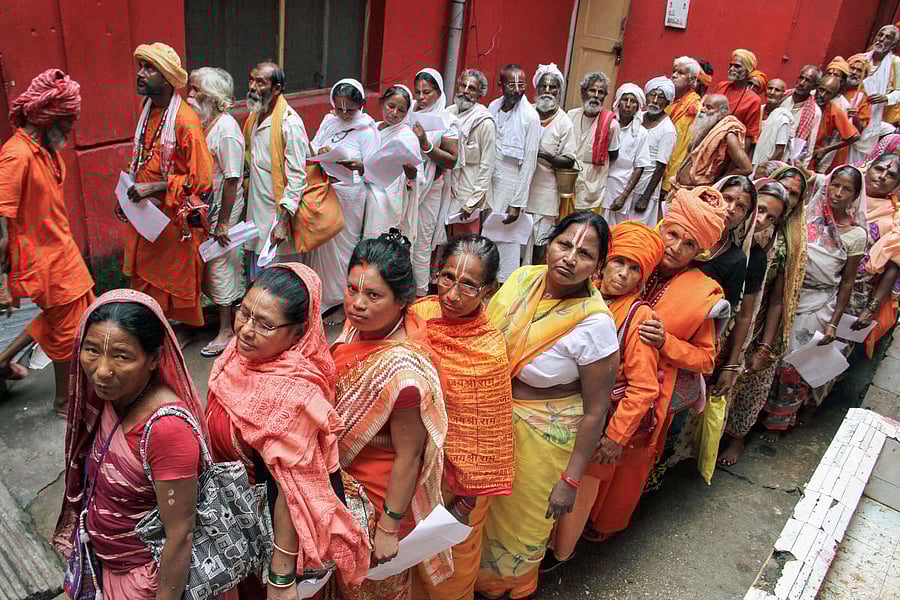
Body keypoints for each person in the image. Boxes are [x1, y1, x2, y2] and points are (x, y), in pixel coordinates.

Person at [476, 212, 619, 600]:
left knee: (518, 531)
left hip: (543, 442)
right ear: (548, 242)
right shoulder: (524, 279)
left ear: (599, 265)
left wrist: (570, 481)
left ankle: (508, 591)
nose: (570, 258)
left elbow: (596, 411)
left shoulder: (595, 324)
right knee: (476, 520)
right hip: (490, 421)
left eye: (585, 254)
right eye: (564, 244)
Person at [206, 264, 369, 597]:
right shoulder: (237, 358)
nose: (246, 330)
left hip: (267, 536)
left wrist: (281, 576)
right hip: (230, 519)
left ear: (298, 334)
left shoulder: (296, 394)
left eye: (265, 324)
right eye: (244, 313)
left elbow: (292, 487)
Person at [54, 291, 205, 599]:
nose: (102, 370)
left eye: (122, 356)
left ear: (153, 360)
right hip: (102, 563)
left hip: (143, 581)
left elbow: (180, 534)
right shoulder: (110, 400)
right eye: (92, 350)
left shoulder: (167, 430)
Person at [331, 231, 449, 600]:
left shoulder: (402, 371)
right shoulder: (361, 327)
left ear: (401, 301)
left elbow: (409, 454)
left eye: (373, 295)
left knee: (372, 587)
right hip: (342, 482)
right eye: (352, 289)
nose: (357, 303)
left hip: (376, 497)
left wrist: (388, 526)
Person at [548, 221, 665, 564]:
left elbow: (644, 387)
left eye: (634, 269)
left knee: (576, 494)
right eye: (619, 262)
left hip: (599, 423)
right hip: (558, 412)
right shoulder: (582, 290)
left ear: (642, 279)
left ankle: (558, 556)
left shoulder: (638, 315)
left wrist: (615, 437)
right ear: (604, 261)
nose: (624, 274)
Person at [410, 235, 515, 600]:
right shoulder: (419, 315)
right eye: (447, 277)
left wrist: (465, 503)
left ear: (489, 290)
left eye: (468, 284)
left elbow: (489, 437)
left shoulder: (488, 351)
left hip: (458, 489)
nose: (452, 294)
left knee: (450, 575)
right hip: (409, 473)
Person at [0, 68, 94, 416]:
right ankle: (63, 403)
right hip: (43, 260)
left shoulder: (45, 150)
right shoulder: (16, 154)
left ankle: (3, 361)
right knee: (69, 330)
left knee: (72, 317)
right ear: (48, 116)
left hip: (61, 250)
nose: (72, 127)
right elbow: (2, 213)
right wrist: (2, 282)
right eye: (68, 119)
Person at [761, 166, 868, 438]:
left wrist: (833, 323)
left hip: (818, 305)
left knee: (792, 369)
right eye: (835, 185)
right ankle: (754, 418)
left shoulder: (856, 236)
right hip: (784, 296)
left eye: (846, 190)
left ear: (855, 196)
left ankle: (778, 422)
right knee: (768, 359)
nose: (838, 193)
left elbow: (846, 282)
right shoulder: (804, 218)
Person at [636, 187, 730, 489]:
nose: (676, 248)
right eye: (673, 235)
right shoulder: (630, 261)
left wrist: (667, 342)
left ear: (699, 251)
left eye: (689, 244)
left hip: (652, 393)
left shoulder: (703, 291)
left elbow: (705, 359)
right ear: (662, 228)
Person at [118, 43, 213, 340]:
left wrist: (157, 187)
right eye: (140, 67)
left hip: (172, 220)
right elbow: (141, 158)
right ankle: (154, 330)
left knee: (172, 279)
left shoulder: (185, 121)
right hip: (145, 215)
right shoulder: (148, 111)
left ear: (168, 77)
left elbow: (203, 181)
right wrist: (126, 194)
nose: (141, 74)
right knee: (145, 276)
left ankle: (176, 332)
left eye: (149, 68)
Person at [720, 163, 808, 466]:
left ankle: (736, 438)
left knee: (745, 385)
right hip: (726, 315)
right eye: (760, 210)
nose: (762, 220)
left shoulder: (778, 244)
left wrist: (766, 344)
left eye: (796, 194)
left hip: (753, 319)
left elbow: (777, 300)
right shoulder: (729, 228)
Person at [308, 78, 378, 324]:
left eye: (351, 108)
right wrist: (323, 154)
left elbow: (374, 168)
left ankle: (340, 301)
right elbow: (313, 147)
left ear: (361, 105)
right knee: (323, 246)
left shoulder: (367, 130)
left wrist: (356, 164)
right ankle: (321, 299)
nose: (345, 113)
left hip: (351, 193)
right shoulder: (329, 122)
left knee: (344, 248)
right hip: (327, 188)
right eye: (340, 108)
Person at [187, 67, 246, 357]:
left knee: (222, 264)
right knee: (206, 265)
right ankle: (206, 320)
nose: (190, 95)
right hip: (204, 210)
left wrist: (223, 222)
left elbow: (233, 178)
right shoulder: (203, 122)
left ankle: (227, 329)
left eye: (196, 90)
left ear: (212, 95)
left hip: (224, 209)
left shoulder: (226, 129)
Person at [242, 61, 309, 281]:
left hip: (276, 220)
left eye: (260, 82)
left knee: (278, 285)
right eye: (251, 79)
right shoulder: (254, 117)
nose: (252, 86)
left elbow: (298, 177)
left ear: (277, 89)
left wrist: (283, 223)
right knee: (257, 281)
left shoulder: (290, 123)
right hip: (255, 216)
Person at [488, 64, 541, 282]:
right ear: (501, 86)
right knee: (486, 239)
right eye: (512, 84)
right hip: (489, 183)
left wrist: (517, 202)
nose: (517, 90)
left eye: (522, 85)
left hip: (511, 185)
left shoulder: (530, 117)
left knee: (506, 243)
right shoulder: (492, 107)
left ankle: (503, 289)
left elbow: (529, 163)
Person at [410, 68, 460, 295]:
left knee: (420, 244)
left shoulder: (447, 120)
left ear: (439, 93)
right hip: (405, 187)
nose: (421, 97)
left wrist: (425, 145)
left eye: (427, 92)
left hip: (429, 190)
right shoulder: (408, 110)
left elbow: (451, 161)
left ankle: (420, 295)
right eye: (418, 91)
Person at [525, 63, 577, 265]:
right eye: (543, 86)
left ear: (559, 90)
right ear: (536, 88)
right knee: (516, 241)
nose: (547, 91)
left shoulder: (564, 121)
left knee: (540, 242)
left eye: (552, 87)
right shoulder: (526, 113)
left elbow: (569, 158)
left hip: (545, 193)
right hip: (520, 191)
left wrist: (542, 154)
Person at [851, 153, 900, 358]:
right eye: (879, 169)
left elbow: (892, 268)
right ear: (869, 167)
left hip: (856, 295)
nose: (882, 176)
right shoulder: (844, 191)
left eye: (891, 174)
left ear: (897, 185)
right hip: (817, 284)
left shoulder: (894, 218)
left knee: (830, 352)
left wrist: (871, 308)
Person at [361, 85, 423, 240]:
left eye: (401, 110)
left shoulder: (407, 138)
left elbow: (418, 178)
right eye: (391, 106)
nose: (394, 113)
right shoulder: (372, 127)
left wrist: (411, 177)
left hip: (386, 199)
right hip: (362, 186)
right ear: (382, 103)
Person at [696, 175, 758, 311]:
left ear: (746, 217)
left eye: (741, 207)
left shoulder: (736, 260)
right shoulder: (683, 231)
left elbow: (725, 311)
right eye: (727, 198)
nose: (731, 209)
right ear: (714, 197)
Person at [447, 69, 496, 234]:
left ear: (479, 94)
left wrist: (473, 201)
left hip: (468, 194)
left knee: (466, 244)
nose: (466, 91)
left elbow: (487, 165)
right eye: (463, 85)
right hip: (447, 187)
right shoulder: (448, 113)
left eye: (472, 88)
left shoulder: (485, 122)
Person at [567, 72, 620, 215]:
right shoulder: (570, 116)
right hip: (568, 185)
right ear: (583, 92)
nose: (596, 95)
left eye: (600, 92)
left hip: (592, 189)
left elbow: (613, 156)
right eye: (592, 90)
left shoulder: (611, 124)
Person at [674, 94, 752, 190]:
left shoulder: (727, 135)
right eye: (704, 106)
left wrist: (718, 182)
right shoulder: (705, 128)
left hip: (697, 193)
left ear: (722, 114)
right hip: (679, 188)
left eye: (709, 108)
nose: (703, 110)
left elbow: (747, 168)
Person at [603, 84, 652, 225]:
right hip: (599, 185)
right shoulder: (608, 124)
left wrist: (624, 196)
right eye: (625, 100)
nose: (628, 105)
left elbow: (640, 167)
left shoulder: (641, 133)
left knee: (613, 230)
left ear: (638, 107)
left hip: (619, 189)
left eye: (633, 101)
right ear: (618, 102)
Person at [632, 77, 677, 225]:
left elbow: (660, 167)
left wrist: (645, 198)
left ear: (668, 102)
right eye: (653, 95)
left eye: (661, 97)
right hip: (626, 184)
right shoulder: (637, 118)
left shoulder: (667, 130)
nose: (655, 100)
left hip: (644, 189)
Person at [665, 57, 703, 198]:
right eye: (674, 71)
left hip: (673, 173)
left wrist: (673, 179)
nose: (674, 75)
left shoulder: (695, 108)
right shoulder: (667, 100)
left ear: (692, 79)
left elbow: (687, 148)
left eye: (680, 73)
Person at [712, 49, 763, 149]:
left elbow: (749, 136)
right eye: (730, 65)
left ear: (749, 71)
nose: (731, 69)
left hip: (727, 149)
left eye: (737, 66)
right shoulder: (721, 86)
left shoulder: (753, 100)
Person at [811, 74, 860, 173]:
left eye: (828, 93)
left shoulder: (834, 111)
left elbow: (855, 136)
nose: (822, 95)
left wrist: (825, 150)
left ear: (834, 96)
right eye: (821, 90)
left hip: (811, 157)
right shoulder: (808, 101)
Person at [780, 66, 822, 168]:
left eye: (807, 81)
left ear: (814, 86)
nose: (802, 83)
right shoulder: (782, 97)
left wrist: (802, 169)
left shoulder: (815, 112)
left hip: (787, 160)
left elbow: (809, 147)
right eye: (801, 78)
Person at [863, 25, 900, 131]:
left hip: (877, 116)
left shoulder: (896, 62)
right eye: (880, 35)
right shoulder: (862, 58)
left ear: (893, 44)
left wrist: (886, 98)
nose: (882, 39)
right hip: (856, 113)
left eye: (888, 37)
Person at [752, 78, 792, 168]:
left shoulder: (783, 119)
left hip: (763, 166)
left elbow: (779, 151)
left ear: (783, 95)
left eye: (777, 90)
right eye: (770, 88)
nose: (772, 92)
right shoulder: (757, 110)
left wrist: (764, 169)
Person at [847, 54, 876, 164]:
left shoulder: (862, 97)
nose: (854, 72)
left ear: (864, 77)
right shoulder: (836, 86)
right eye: (852, 68)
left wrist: (855, 117)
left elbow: (861, 128)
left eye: (859, 71)